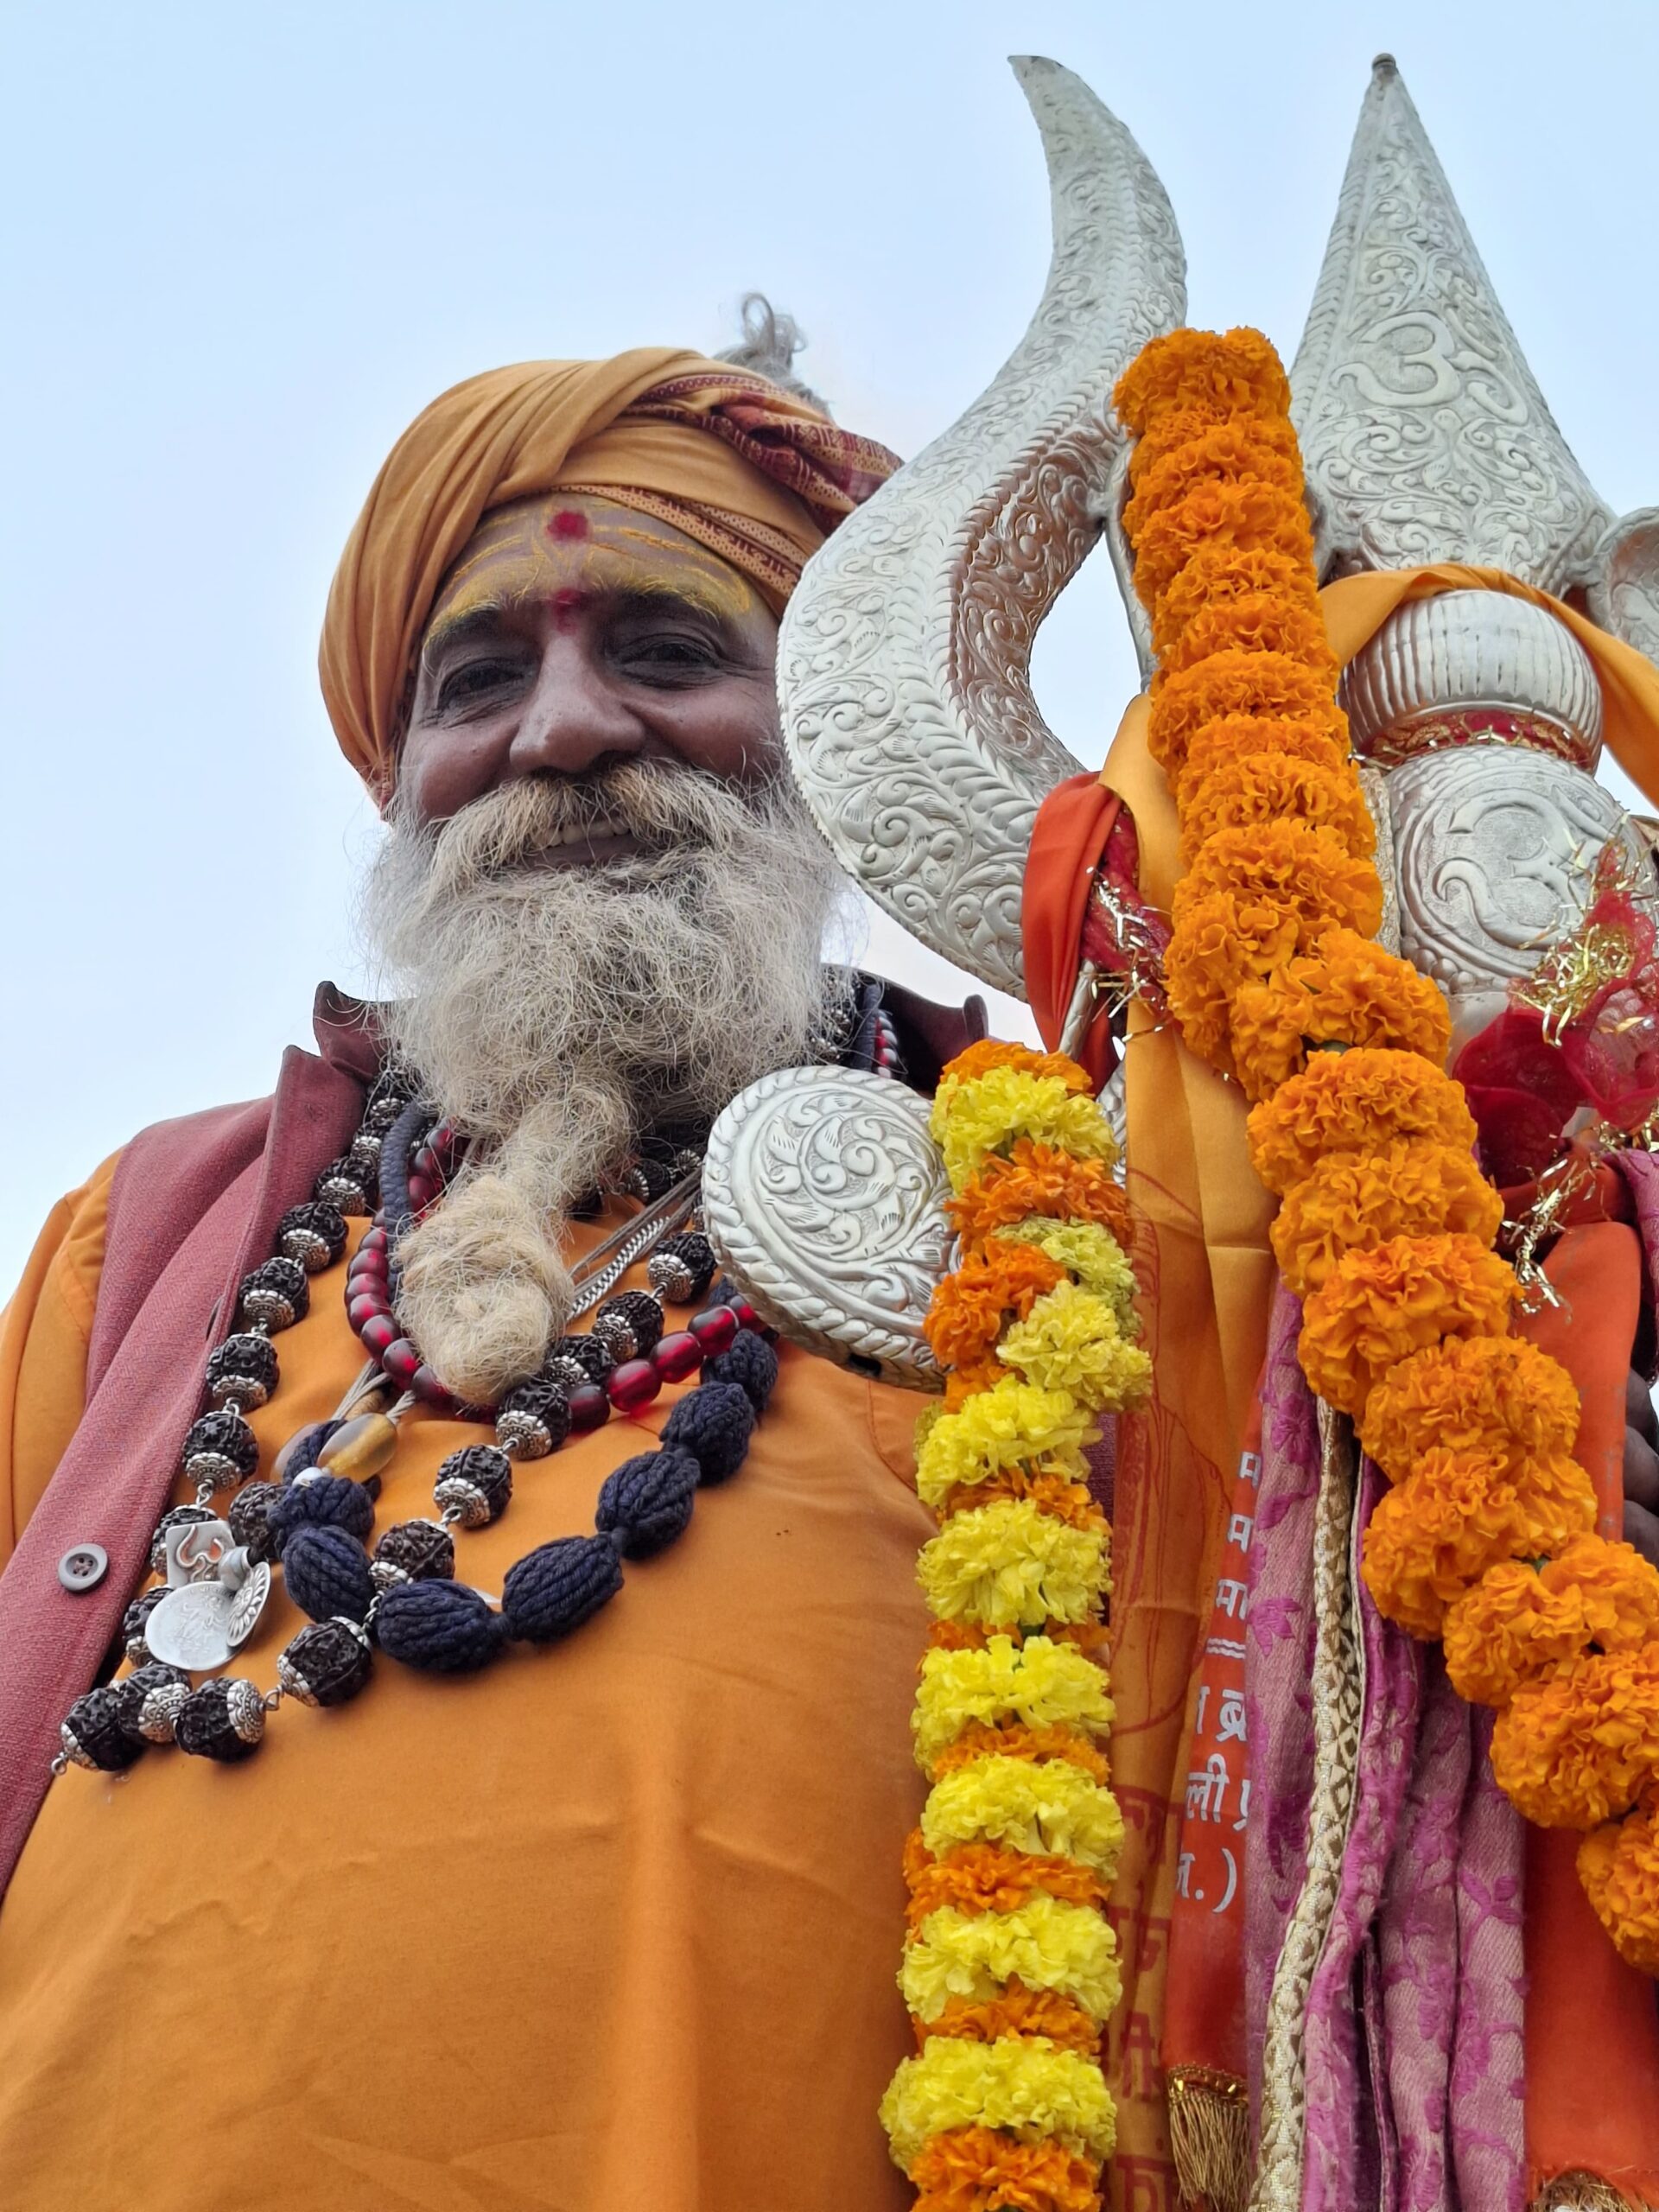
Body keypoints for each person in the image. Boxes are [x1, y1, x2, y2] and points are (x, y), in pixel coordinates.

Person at [0, 309, 981, 2209]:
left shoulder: (1053, 1225)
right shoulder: (153, 1236)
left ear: (833, 736)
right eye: (475, 681)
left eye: (670, 651)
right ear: (401, 778)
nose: (563, 729)